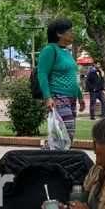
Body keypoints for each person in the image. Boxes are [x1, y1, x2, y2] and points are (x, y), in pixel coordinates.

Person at [37, 18, 85, 146]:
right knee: (65, 134)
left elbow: (72, 77)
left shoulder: (66, 52)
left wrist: (80, 97)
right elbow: (42, 74)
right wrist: (47, 97)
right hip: (58, 96)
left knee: (66, 136)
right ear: (59, 33)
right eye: (70, 31)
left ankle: (51, 155)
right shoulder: (49, 50)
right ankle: (48, 154)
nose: (73, 33)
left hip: (71, 98)